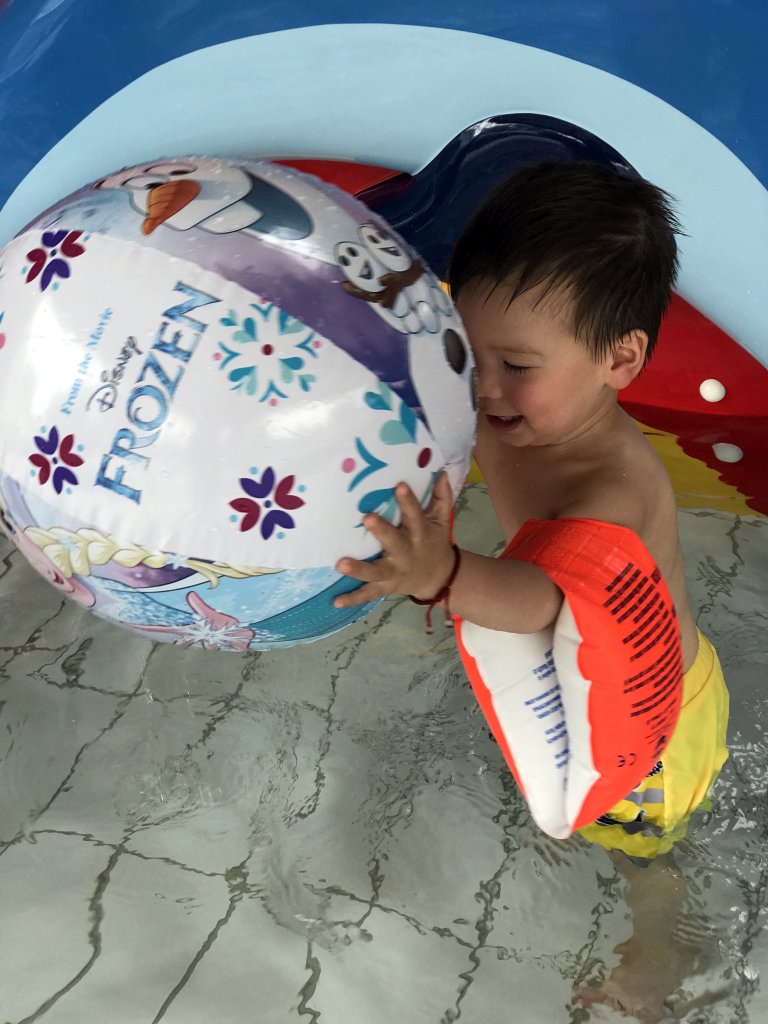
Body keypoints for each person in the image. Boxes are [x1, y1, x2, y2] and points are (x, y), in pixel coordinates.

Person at [333, 161, 729, 1021]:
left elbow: (547, 600)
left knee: (640, 856)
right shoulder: (528, 404)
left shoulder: (605, 489)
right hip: (637, 654)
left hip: (651, 729)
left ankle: (662, 949)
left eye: (516, 364)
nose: (484, 387)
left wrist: (441, 576)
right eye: (469, 353)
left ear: (621, 360)